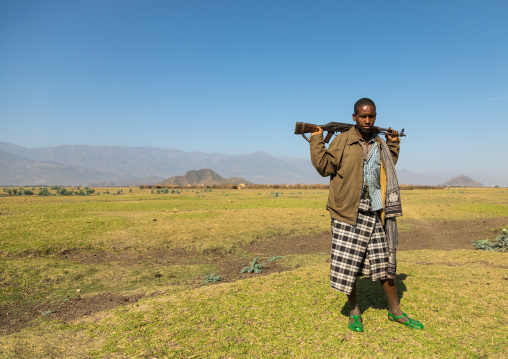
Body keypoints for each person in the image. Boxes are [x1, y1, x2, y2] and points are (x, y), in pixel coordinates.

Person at [309, 98, 423, 332]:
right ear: (354, 117)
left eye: (371, 116)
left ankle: (395, 312)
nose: (368, 120)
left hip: (374, 210)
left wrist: (393, 144)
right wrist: (317, 139)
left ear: (375, 116)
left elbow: (387, 168)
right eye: (363, 116)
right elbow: (324, 167)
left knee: (384, 263)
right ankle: (354, 312)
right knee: (348, 265)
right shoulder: (342, 140)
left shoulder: (380, 143)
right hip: (346, 211)